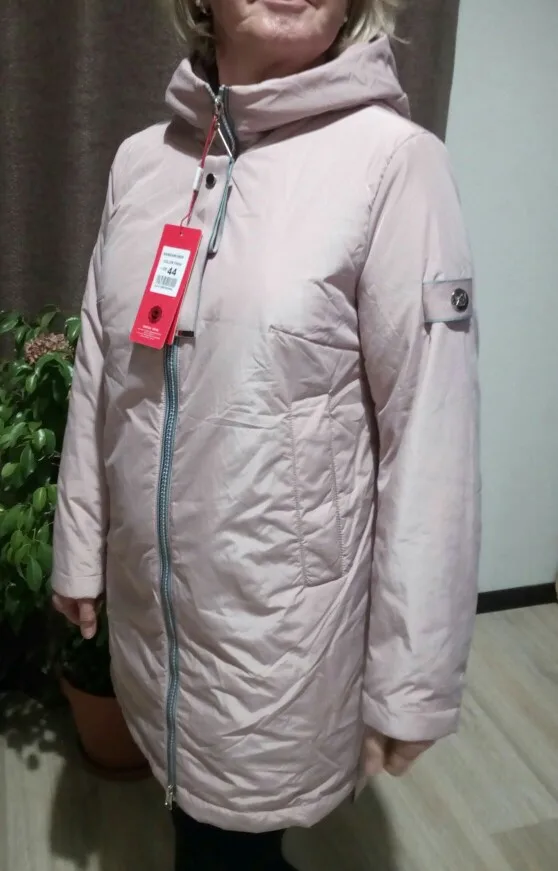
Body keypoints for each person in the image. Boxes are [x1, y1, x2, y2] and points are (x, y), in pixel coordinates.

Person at [51, 0, 481, 868]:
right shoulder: (145, 162)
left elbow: (431, 429)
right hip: (153, 610)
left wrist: (415, 673)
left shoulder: (393, 164)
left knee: (233, 844)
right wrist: (80, 542)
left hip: (283, 632)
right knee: (192, 817)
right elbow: (103, 364)